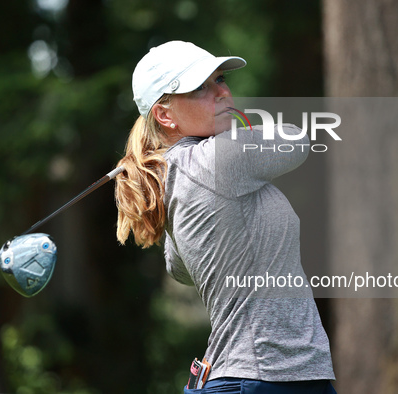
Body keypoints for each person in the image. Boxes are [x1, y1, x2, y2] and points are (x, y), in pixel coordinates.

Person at [114, 40, 336, 394]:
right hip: (260, 376)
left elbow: (179, 268)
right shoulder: (219, 159)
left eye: (219, 79)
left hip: (275, 375)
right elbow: (297, 140)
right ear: (164, 115)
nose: (222, 91)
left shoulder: (176, 175)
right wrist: (238, 128)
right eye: (201, 87)